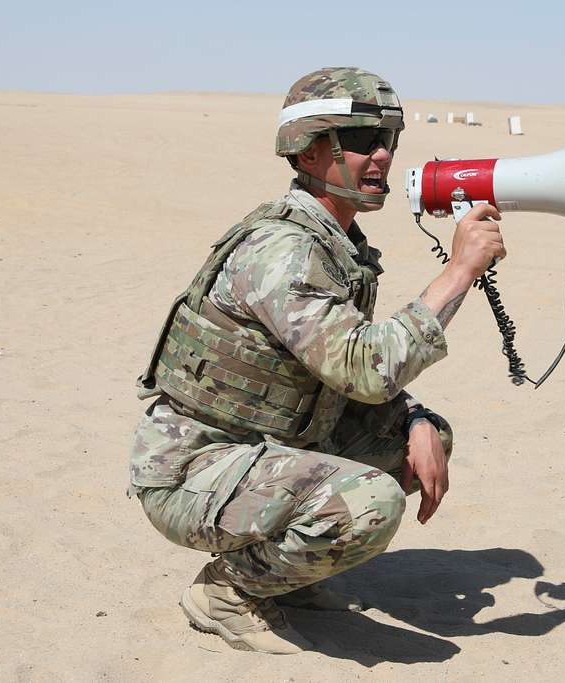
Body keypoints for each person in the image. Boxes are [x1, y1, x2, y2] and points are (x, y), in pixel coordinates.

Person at [129, 67, 506, 654]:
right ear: (307, 152)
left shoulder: (338, 245)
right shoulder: (284, 251)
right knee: (370, 501)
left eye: (389, 141)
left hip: (269, 445)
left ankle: (285, 578)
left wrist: (412, 416)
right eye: (359, 142)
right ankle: (230, 589)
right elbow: (363, 367)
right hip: (196, 470)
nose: (381, 156)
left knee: (421, 438)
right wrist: (458, 272)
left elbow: (336, 367)